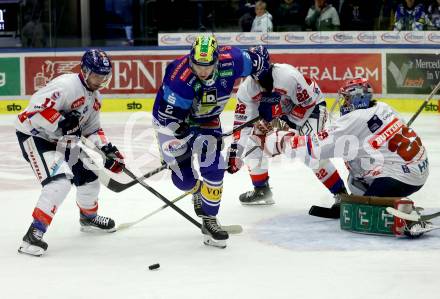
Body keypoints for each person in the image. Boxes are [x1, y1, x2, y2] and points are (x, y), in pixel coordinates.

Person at [152, 35, 271, 248]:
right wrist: (187, 133)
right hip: (173, 124)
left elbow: (261, 61)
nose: (203, 72)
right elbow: (166, 118)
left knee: (215, 169)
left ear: (217, 61)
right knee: (183, 180)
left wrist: (269, 94)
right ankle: (197, 190)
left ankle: (210, 220)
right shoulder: (179, 80)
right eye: (197, 66)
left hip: (208, 119)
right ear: (190, 60)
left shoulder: (232, 60)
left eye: (208, 67)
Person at [15, 49, 124, 256]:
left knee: (89, 177)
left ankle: (88, 217)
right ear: (84, 70)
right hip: (36, 136)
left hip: (63, 141)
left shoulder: (95, 97)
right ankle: (33, 235)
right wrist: (61, 121)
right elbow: (33, 111)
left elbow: (92, 129)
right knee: (60, 181)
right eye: (96, 75)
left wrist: (106, 150)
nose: (100, 80)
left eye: (104, 76)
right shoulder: (65, 86)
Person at [258, 77, 429, 200]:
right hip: (419, 170)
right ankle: (387, 198)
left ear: (358, 99)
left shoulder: (353, 120)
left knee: (361, 205)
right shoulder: (383, 107)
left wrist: (282, 142)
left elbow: (316, 148)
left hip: (399, 179)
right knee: (355, 176)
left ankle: (390, 205)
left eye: (346, 100)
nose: (343, 104)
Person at [227, 45, 346, 208]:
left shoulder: (288, 76)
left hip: (311, 108)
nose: (255, 80)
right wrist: (235, 153)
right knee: (253, 144)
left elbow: (308, 104)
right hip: (281, 113)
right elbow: (242, 126)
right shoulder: (246, 89)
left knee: (309, 151)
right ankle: (261, 189)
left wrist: (287, 129)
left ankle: (341, 194)